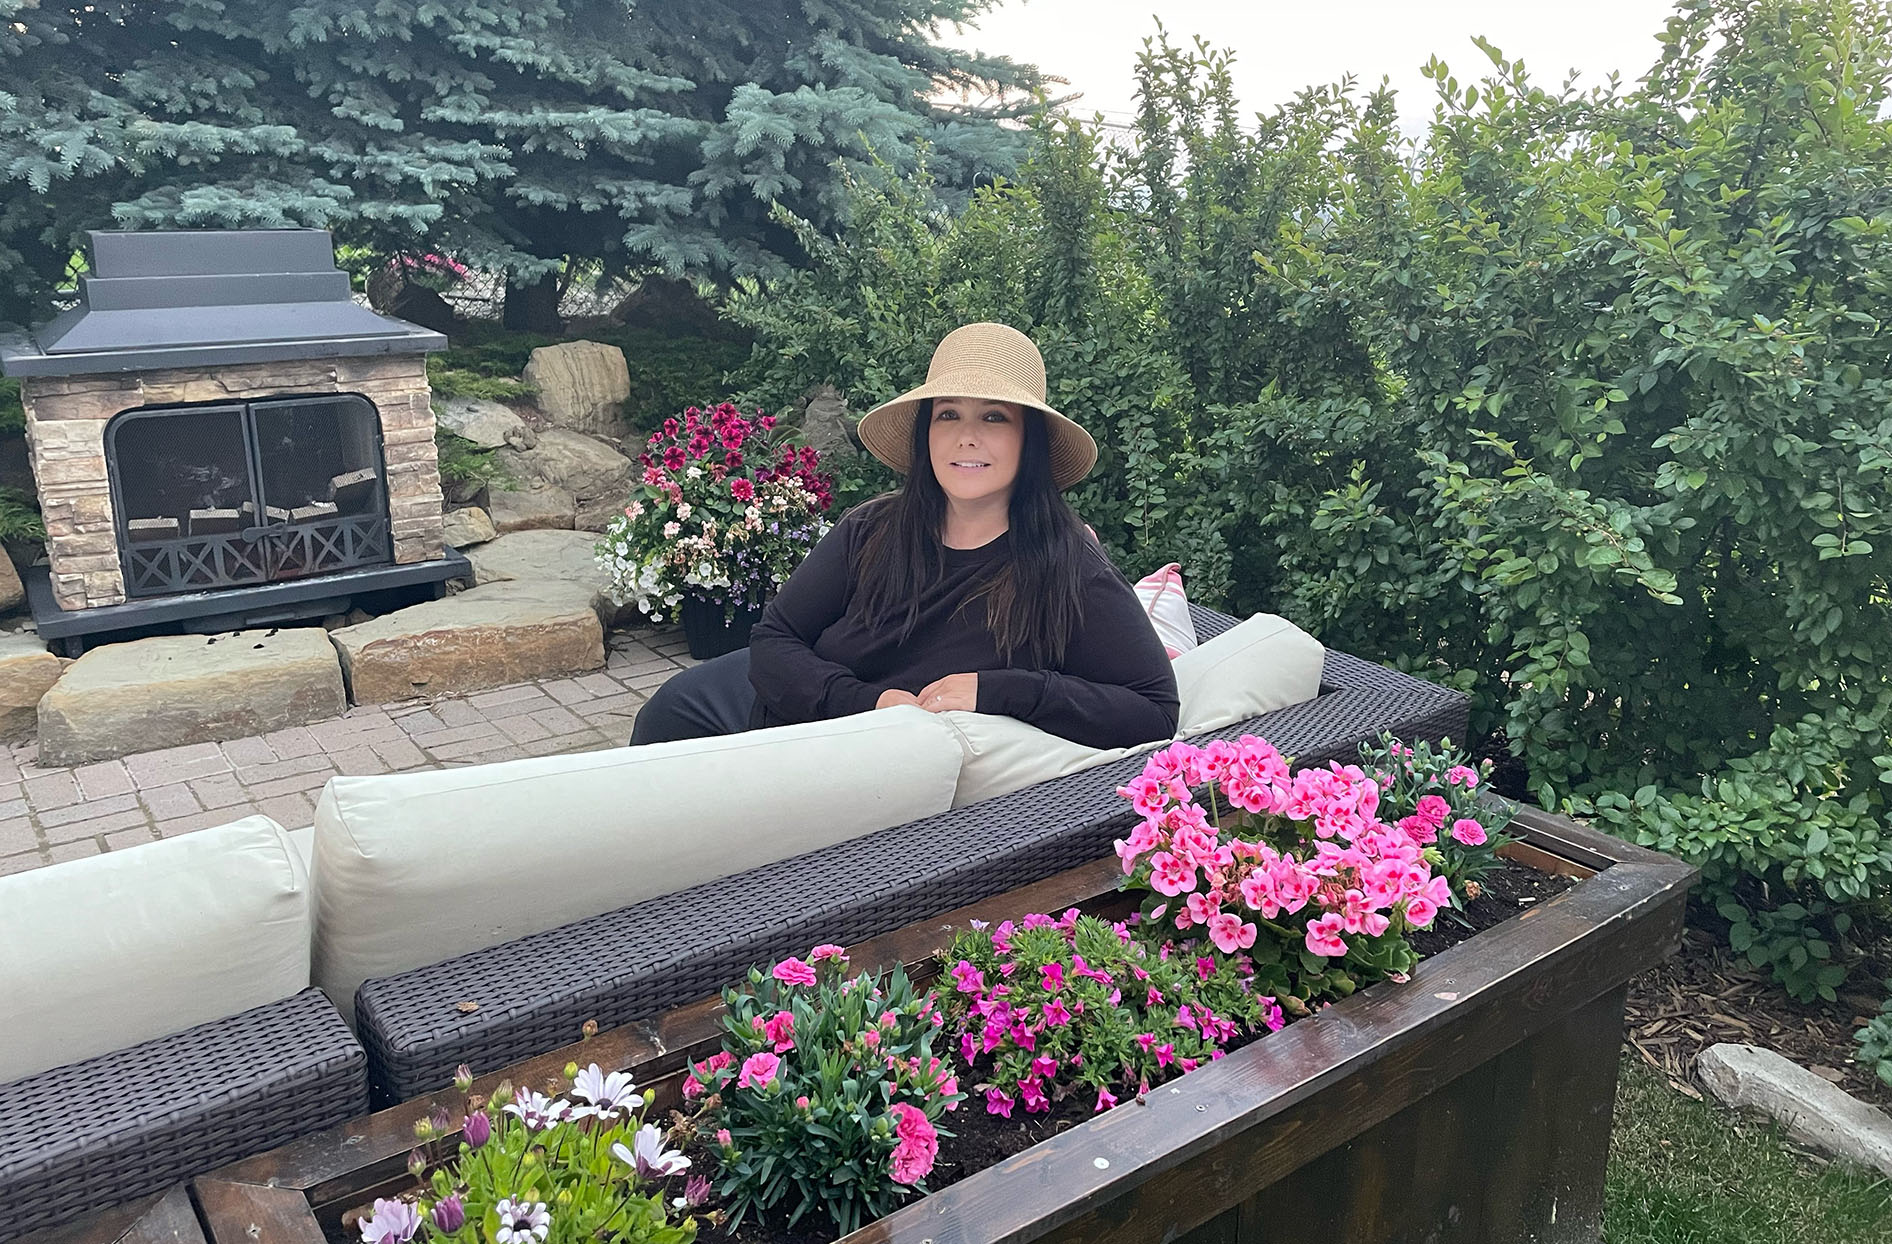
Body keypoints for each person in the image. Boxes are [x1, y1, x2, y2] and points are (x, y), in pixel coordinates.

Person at [629, 322, 1179, 750]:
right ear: (926, 434)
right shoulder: (872, 528)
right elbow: (773, 641)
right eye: (947, 415)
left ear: (1028, 440)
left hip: (840, 764)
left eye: (993, 418)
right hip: (749, 713)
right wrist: (871, 705)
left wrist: (1002, 690)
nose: (966, 437)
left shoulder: (1066, 562)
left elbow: (1153, 710)